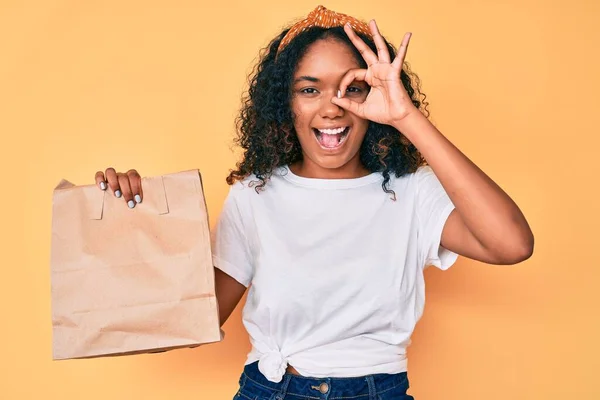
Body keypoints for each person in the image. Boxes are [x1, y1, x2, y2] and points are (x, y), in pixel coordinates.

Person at [93, 5, 534, 399]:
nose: (332, 108)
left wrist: (406, 118)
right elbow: (190, 323)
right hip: (270, 389)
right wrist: (131, 220)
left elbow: (511, 244)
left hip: (377, 392)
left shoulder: (412, 191)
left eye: (353, 89)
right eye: (310, 90)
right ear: (285, 104)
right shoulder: (255, 194)